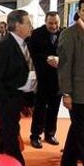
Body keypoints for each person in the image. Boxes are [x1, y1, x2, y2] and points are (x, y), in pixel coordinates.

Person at [0, 10, 40, 166]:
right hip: (7, 99)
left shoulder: (23, 43)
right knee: (10, 138)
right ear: (17, 25)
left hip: (17, 98)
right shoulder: (5, 45)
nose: (30, 26)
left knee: (3, 136)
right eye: (27, 23)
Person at [58, 0, 84, 166]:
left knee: (79, 127)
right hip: (78, 92)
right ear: (78, 12)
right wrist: (66, 93)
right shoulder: (69, 34)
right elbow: (64, 67)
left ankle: (68, 162)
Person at [29, 11, 62, 149]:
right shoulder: (37, 33)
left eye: (56, 23)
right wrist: (47, 58)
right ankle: (35, 135)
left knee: (54, 107)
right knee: (40, 107)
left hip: (59, 77)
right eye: (50, 23)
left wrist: (59, 60)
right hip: (42, 76)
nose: (53, 26)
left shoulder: (64, 33)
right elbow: (32, 53)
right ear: (46, 21)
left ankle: (50, 134)